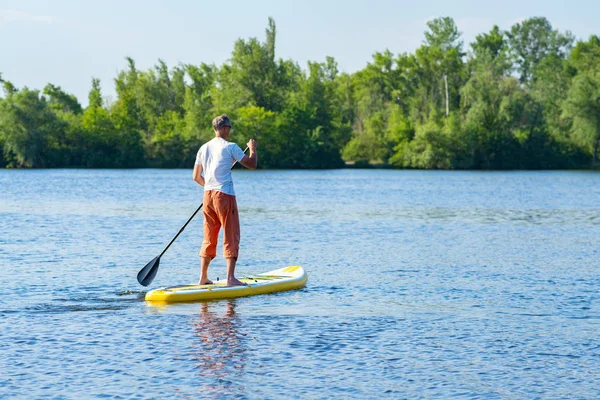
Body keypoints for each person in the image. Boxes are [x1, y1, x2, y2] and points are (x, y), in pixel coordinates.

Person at [193, 114, 257, 286]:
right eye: (229, 127)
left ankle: (203, 277)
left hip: (208, 195)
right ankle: (230, 278)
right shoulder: (231, 147)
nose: (230, 129)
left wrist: (211, 187)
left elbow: (196, 177)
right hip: (225, 195)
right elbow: (252, 164)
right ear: (224, 128)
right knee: (231, 234)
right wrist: (252, 149)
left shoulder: (203, 148)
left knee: (209, 236)